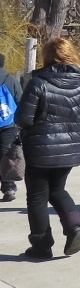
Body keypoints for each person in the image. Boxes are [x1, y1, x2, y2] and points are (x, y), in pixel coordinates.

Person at [14, 38, 80, 259]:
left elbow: (23, 118)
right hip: (69, 147)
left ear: (47, 56)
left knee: (37, 197)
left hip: (39, 147)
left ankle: (42, 245)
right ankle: (74, 227)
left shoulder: (38, 82)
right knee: (58, 190)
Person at [0, 52, 24, 202]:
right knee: (6, 155)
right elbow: (20, 101)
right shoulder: (11, 80)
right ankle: (8, 187)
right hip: (8, 124)